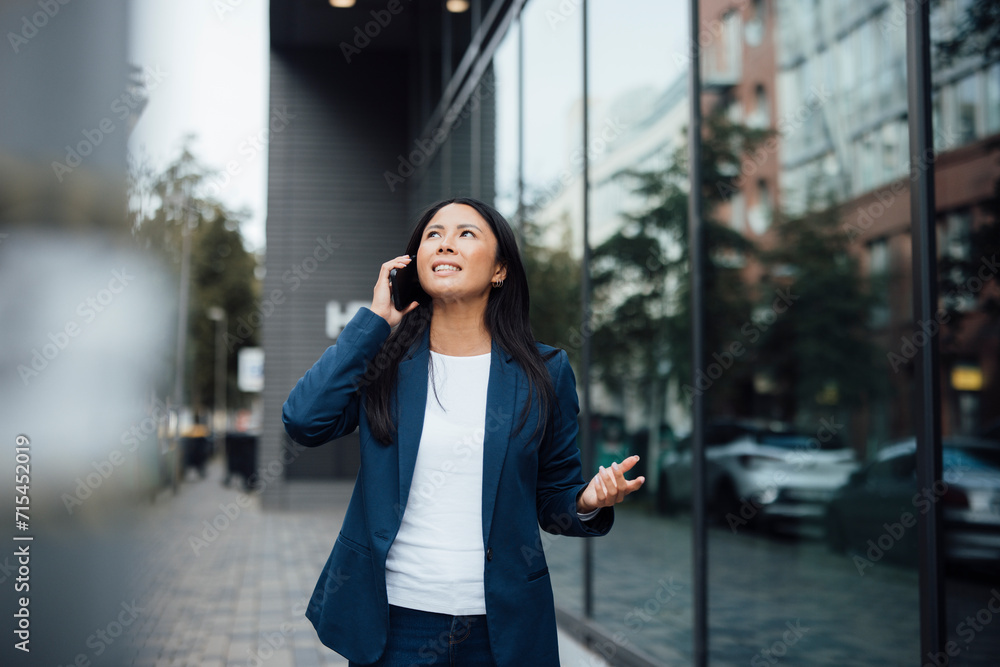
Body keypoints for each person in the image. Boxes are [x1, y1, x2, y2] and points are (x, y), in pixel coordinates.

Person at [282, 197, 644, 666]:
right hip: (396, 625)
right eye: (433, 234)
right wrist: (373, 324)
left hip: (500, 629)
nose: (445, 242)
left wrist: (586, 501)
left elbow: (553, 502)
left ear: (500, 270)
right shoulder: (385, 361)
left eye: (465, 234)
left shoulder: (545, 371)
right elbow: (304, 421)